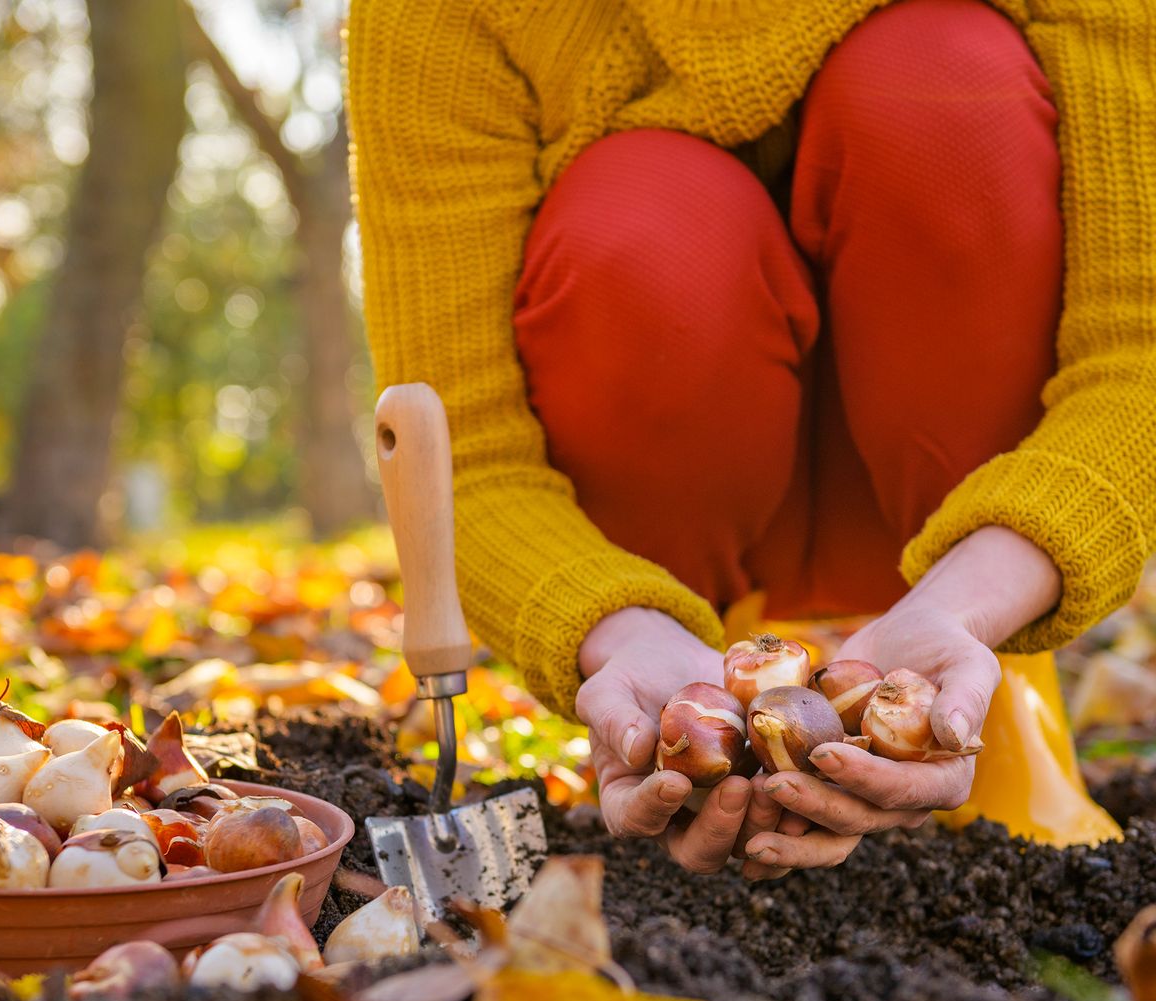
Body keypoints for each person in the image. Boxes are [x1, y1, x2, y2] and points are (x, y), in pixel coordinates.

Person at [346, 0, 1155, 878]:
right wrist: (621, 631)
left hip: (960, 498)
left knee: (941, 85)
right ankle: (697, 709)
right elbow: (469, 453)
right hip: (664, 515)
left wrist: (965, 607)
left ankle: (991, 687)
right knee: (650, 221)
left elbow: (1138, 354)